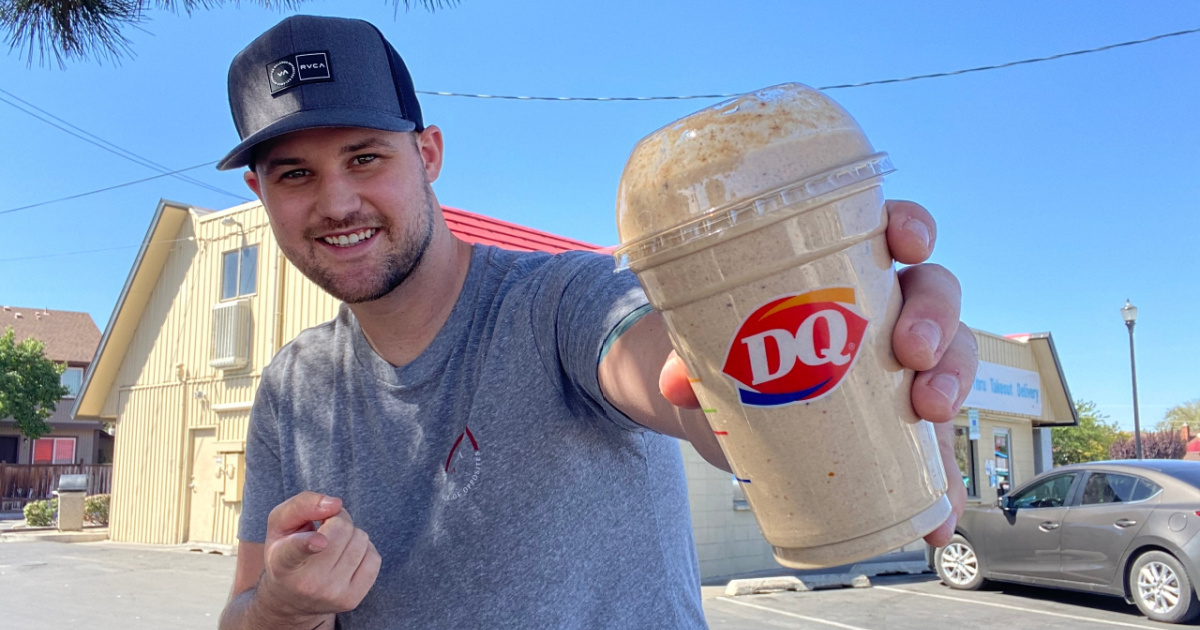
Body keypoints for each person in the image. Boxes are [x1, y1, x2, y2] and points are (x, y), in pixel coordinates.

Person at [216, 15, 976, 630]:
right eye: (295, 174)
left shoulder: (560, 302)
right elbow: (246, 611)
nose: (338, 202)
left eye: (365, 157)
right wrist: (285, 608)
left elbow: (673, 373)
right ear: (260, 191)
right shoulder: (294, 387)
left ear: (429, 153)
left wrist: (851, 364)